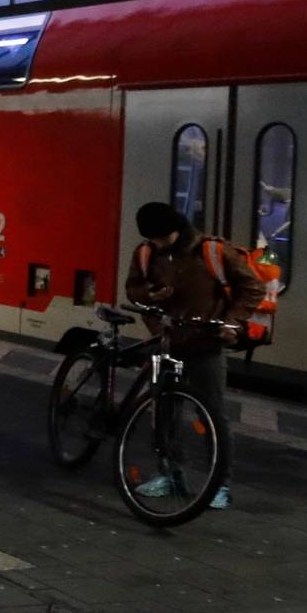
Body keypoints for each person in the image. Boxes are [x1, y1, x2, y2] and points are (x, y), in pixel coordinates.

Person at [124, 200, 265, 510]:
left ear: (175, 229)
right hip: (168, 341)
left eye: (161, 237)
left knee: (212, 414)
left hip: (206, 344)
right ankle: (168, 474)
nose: (156, 244)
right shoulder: (147, 253)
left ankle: (220, 484)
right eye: (152, 239)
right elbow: (133, 287)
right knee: (163, 410)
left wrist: (232, 321)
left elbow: (252, 286)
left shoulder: (212, 252)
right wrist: (149, 295)